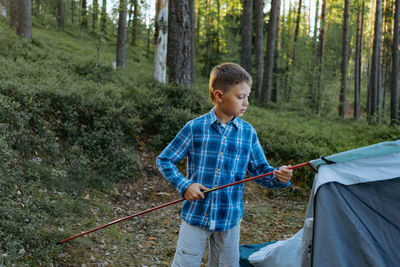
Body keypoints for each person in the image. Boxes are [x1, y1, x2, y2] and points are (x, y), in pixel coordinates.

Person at [156, 63, 293, 266]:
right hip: (196, 216)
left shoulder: (248, 133)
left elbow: (262, 171)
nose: (246, 102)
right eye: (240, 97)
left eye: (248, 96)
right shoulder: (195, 128)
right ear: (219, 96)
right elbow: (165, 160)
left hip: (229, 220)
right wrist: (185, 185)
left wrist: (279, 177)